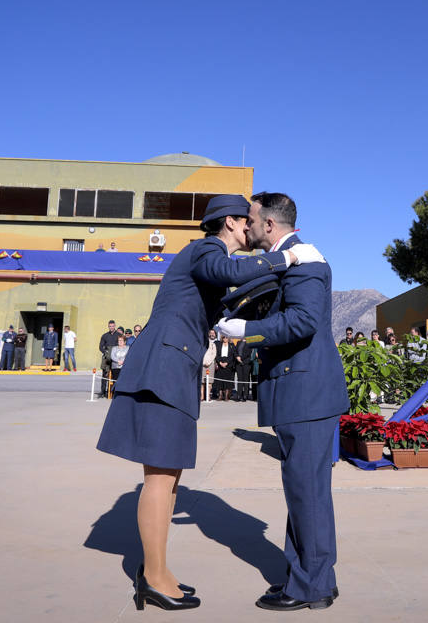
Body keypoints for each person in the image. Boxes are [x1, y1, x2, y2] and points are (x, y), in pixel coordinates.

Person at [95, 193, 321, 611]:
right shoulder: (207, 248)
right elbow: (226, 270)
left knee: (170, 475)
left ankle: (158, 572)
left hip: (173, 368)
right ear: (232, 222)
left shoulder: (212, 260)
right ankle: (154, 578)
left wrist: (302, 267)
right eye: (247, 220)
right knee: (161, 476)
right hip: (164, 367)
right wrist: (286, 261)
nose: (253, 228)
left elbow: (243, 287)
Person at [215, 191, 348, 611]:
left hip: (306, 393)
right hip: (300, 392)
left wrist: (246, 331)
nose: (247, 226)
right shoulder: (289, 257)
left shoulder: (304, 260)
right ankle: (308, 576)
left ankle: (312, 586)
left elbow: (304, 321)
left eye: (251, 220)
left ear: (269, 224)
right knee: (304, 492)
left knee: (306, 492)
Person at [98, 320, 120, 397]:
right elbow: (100, 347)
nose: (111, 327)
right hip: (106, 358)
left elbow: (121, 345)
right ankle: (103, 392)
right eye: (110, 326)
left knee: (115, 375)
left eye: (113, 326)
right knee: (105, 375)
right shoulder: (104, 336)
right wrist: (106, 352)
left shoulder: (119, 335)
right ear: (108, 326)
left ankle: (113, 392)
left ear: (115, 326)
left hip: (115, 358)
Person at [213, 336, 237, 401]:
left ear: (228, 339)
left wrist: (226, 363)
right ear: (222, 338)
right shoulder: (219, 345)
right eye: (224, 338)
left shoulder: (232, 345)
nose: (225, 339)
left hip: (228, 364)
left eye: (226, 338)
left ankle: (226, 396)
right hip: (220, 362)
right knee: (219, 380)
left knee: (227, 381)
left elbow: (232, 355)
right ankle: (220, 395)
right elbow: (216, 354)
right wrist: (220, 362)